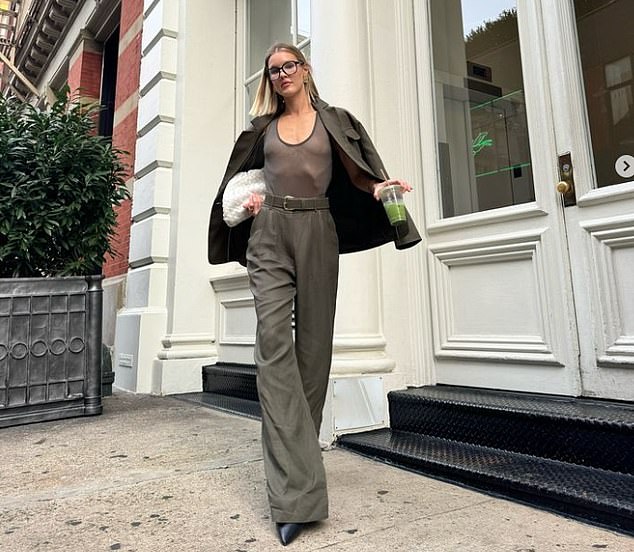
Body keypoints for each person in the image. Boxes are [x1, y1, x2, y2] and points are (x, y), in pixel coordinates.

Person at [207, 43, 421, 546]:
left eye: (288, 66)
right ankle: (294, 496)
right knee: (273, 346)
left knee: (313, 352)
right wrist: (248, 201)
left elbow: (357, 174)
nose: (281, 74)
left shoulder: (336, 120)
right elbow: (237, 182)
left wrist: (382, 187)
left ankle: (295, 460)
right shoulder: (262, 130)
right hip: (270, 232)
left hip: (318, 230)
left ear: (305, 70)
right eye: (273, 70)